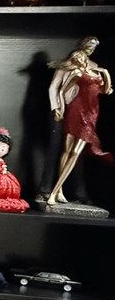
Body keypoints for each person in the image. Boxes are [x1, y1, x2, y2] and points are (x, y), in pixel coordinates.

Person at [46, 36, 112, 206]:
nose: (90, 51)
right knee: (61, 149)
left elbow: (104, 90)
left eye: (93, 48)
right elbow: (56, 87)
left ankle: (71, 191)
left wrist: (105, 74)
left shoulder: (94, 67)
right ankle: (53, 190)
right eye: (88, 47)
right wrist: (57, 107)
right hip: (70, 108)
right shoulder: (71, 65)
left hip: (89, 111)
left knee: (76, 154)